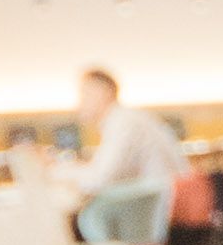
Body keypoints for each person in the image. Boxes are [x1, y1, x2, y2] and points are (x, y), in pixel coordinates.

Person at [73, 66, 190, 199]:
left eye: (85, 93)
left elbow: (100, 180)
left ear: (104, 92)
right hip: (160, 205)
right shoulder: (128, 119)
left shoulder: (122, 123)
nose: (79, 103)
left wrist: (60, 172)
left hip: (163, 209)